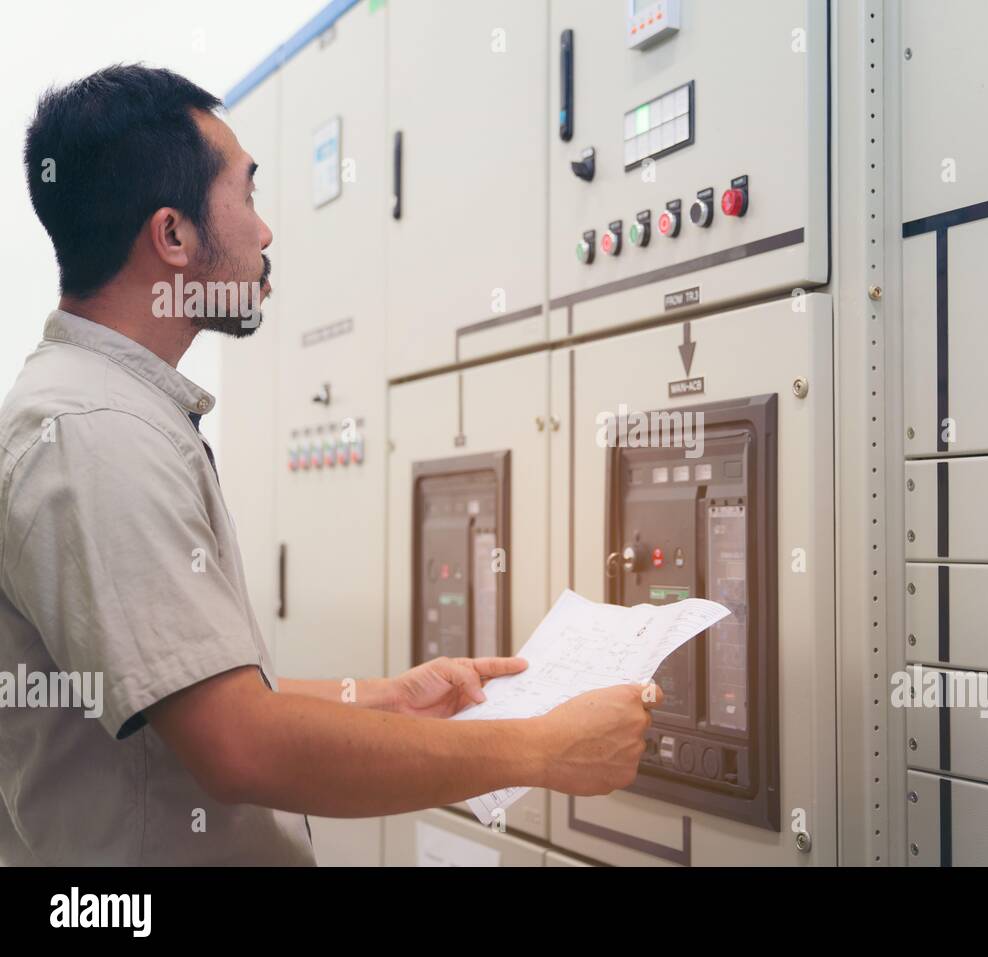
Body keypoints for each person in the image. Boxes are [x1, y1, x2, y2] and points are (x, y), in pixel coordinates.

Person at [0, 64, 659, 865]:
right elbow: (242, 745)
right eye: (246, 195)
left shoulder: (104, 413)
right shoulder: (96, 432)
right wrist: (540, 750)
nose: (266, 231)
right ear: (172, 236)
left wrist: (383, 699)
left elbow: (206, 698)